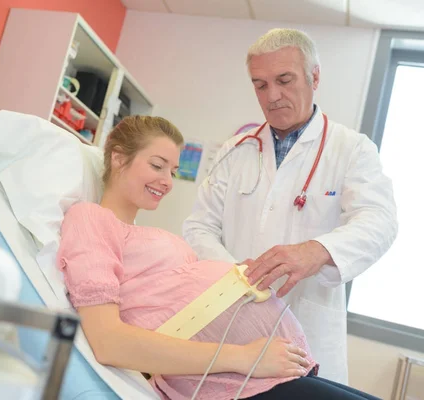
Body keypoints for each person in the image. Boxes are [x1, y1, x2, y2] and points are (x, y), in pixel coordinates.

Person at [57, 115, 381, 399]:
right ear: (117, 158)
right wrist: (243, 357)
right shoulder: (90, 218)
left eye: (172, 170)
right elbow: (108, 340)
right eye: (157, 166)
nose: (167, 181)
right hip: (231, 378)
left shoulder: (144, 233)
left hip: (262, 371)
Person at [182, 28, 398, 385]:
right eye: (260, 84)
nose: (273, 95)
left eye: (284, 80)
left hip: (304, 329)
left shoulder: (351, 150)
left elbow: (380, 221)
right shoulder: (236, 149)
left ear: (314, 77)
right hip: (230, 321)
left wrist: (317, 251)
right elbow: (199, 226)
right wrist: (235, 275)